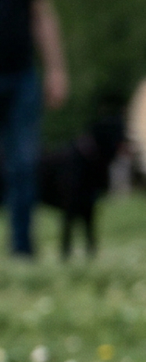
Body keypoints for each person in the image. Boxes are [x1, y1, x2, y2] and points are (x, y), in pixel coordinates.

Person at [1, 0, 68, 259]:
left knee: (24, 165)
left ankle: (21, 249)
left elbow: (43, 16)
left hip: (22, 76)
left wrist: (56, 70)